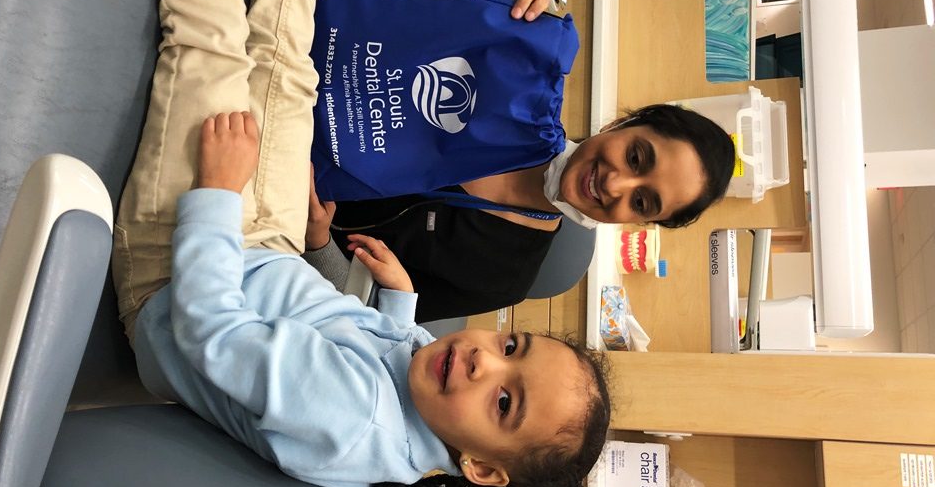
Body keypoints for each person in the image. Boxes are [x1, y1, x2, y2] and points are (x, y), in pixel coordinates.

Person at [111, 0, 610, 487]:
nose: (479, 359)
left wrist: (220, 195)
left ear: (482, 470)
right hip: (269, 252)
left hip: (176, 277)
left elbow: (210, 336)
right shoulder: (424, 400)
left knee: (211, 44)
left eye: (503, 400)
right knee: (291, 71)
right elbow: (387, 349)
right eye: (511, 345)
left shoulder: (356, 422)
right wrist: (399, 303)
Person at [309, 103, 737, 322]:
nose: (614, 185)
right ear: (622, 126)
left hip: (281, 238)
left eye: (641, 202)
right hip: (299, 114)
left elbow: (365, 325)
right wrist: (484, 20)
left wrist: (318, 241)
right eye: (637, 157)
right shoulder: (515, 106)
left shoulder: (503, 278)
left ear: (635, 223)